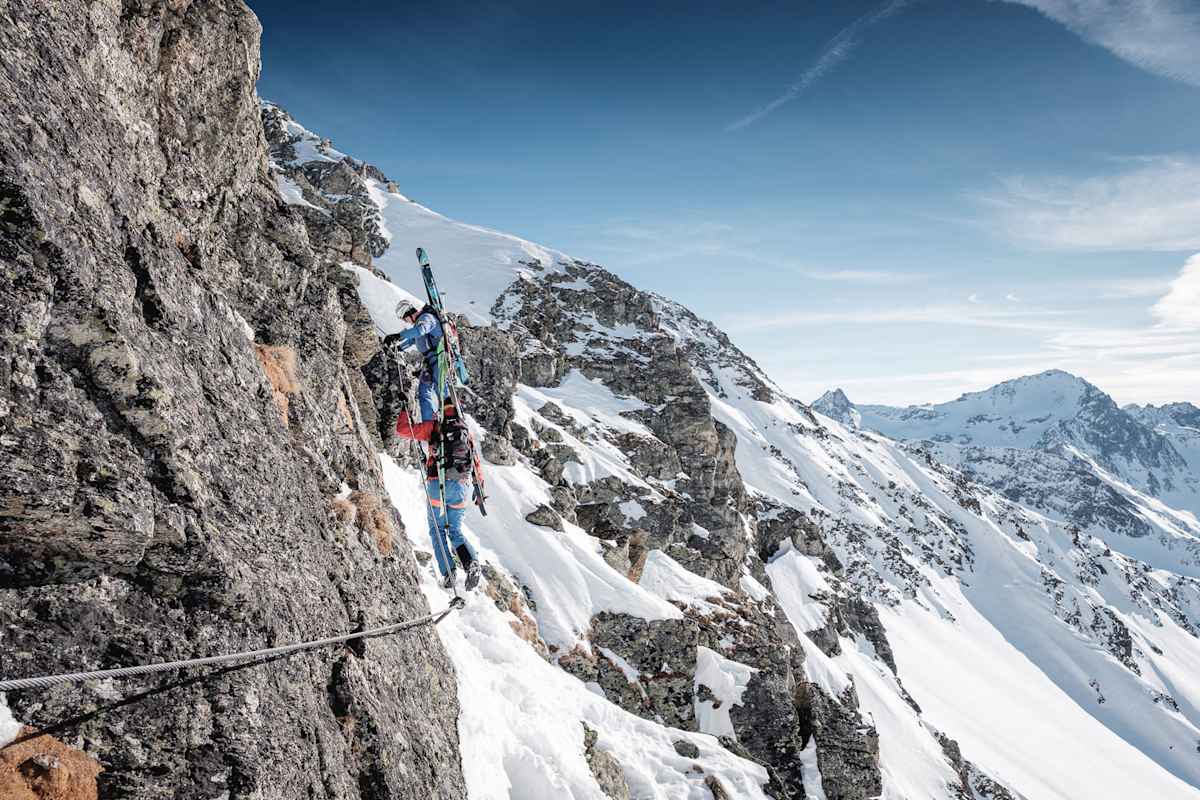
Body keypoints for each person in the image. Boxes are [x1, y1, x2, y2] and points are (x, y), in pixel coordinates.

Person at [396, 402, 481, 591]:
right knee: (455, 531)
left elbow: (402, 430)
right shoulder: (465, 432)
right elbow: (475, 461)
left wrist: (404, 410)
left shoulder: (434, 427)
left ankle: (449, 572)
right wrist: (479, 487)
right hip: (460, 488)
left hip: (437, 486)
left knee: (437, 530)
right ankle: (471, 563)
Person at [384, 302, 444, 423]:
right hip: (430, 362)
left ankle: (450, 415)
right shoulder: (419, 323)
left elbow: (420, 331)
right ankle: (429, 423)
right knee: (423, 390)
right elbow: (412, 339)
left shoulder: (426, 318)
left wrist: (398, 335)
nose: (405, 321)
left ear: (408, 314)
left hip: (439, 359)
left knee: (441, 388)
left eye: (404, 318)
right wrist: (398, 348)